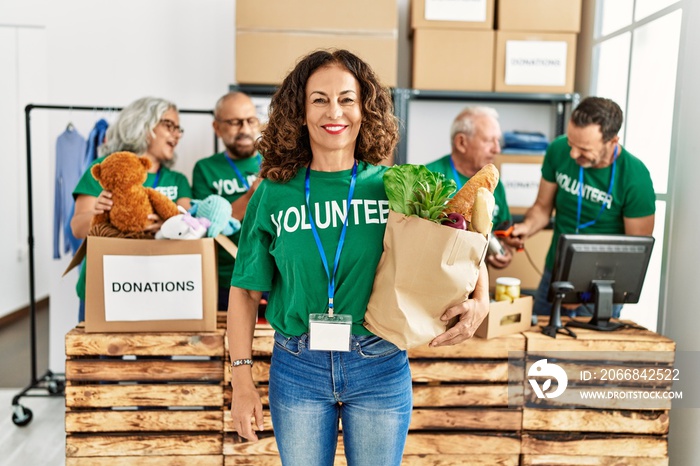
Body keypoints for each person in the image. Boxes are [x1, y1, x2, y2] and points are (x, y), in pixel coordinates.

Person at [226, 49, 490, 465]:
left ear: (365, 108)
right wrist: (242, 380)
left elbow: (462, 237)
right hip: (298, 367)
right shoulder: (273, 193)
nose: (335, 111)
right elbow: (244, 291)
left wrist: (482, 298)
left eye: (347, 99)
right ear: (299, 111)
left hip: (379, 362)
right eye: (320, 99)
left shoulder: (397, 186)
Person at [507, 96, 655, 318]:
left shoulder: (636, 177)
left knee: (586, 353)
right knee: (538, 350)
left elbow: (634, 254)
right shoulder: (558, 150)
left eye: (584, 149)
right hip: (555, 273)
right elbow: (541, 208)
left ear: (613, 141)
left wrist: (584, 293)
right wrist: (525, 228)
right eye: (571, 144)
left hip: (602, 287)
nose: (574, 154)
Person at [70, 97, 192, 322]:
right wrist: (98, 213)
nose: (177, 134)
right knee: (97, 356)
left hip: (160, 286)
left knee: (155, 356)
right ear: (142, 124)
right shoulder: (104, 169)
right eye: (169, 125)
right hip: (105, 286)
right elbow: (77, 228)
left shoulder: (179, 180)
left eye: (179, 128)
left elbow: (187, 225)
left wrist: (166, 225)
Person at [191, 92, 261, 311]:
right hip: (225, 279)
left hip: (275, 277)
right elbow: (207, 226)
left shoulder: (277, 162)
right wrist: (251, 195)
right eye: (234, 122)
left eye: (250, 121)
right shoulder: (205, 168)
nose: (245, 130)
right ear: (217, 127)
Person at [425, 106, 513, 269]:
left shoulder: (495, 184)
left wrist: (504, 252)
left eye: (498, 140)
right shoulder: (428, 177)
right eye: (488, 141)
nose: (497, 149)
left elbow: (501, 233)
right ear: (461, 142)